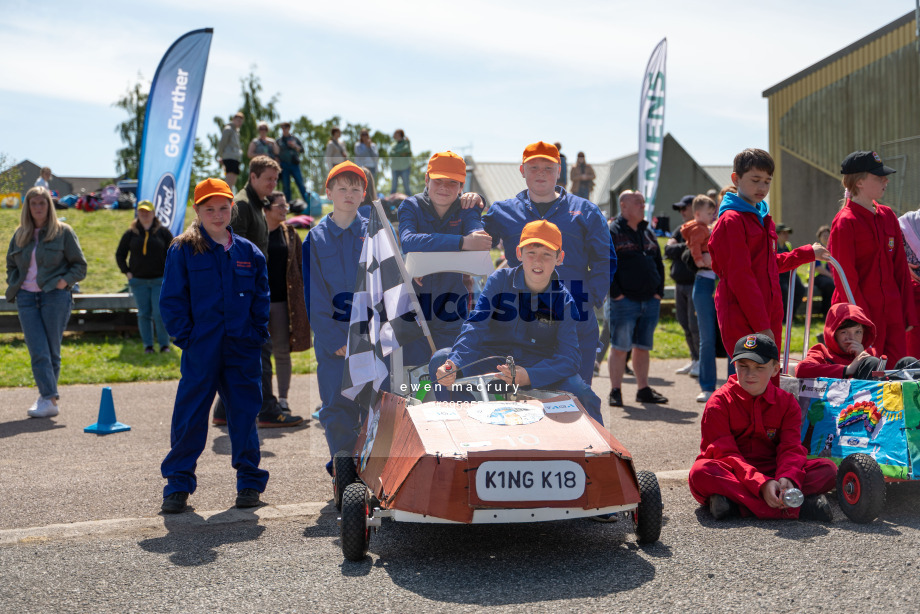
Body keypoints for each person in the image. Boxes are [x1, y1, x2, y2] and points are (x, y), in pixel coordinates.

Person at [158, 178, 271, 514]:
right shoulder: (183, 249)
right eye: (210, 209)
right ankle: (177, 485)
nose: (218, 214)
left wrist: (254, 335)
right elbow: (172, 300)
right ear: (198, 211)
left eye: (223, 207)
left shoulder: (249, 253)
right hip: (201, 348)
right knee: (190, 416)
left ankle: (249, 481)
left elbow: (261, 299)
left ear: (232, 208)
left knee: (244, 415)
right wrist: (187, 339)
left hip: (242, 349)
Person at [431, 220, 603, 423]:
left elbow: (570, 358)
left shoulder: (564, 300)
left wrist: (530, 375)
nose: (538, 261)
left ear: (560, 258)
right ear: (518, 253)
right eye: (531, 252)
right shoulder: (499, 280)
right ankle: (460, 427)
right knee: (441, 359)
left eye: (547, 254)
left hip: (536, 367)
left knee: (581, 390)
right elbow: (475, 325)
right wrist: (455, 362)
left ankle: (599, 451)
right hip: (492, 362)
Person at [482, 142, 613, 389]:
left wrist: (591, 298)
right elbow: (473, 236)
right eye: (533, 167)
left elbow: (604, 258)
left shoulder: (585, 210)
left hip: (575, 313)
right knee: (521, 391)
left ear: (559, 171)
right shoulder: (502, 212)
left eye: (548, 168)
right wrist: (473, 201)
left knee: (578, 391)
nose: (540, 173)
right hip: (522, 316)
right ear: (522, 170)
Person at [688, 333, 837, 521]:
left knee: (828, 470)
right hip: (733, 471)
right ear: (734, 365)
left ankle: (737, 507)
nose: (750, 374)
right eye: (743, 366)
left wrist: (787, 478)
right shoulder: (718, 402)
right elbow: (726, 455)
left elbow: (790, 448)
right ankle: (795, 508)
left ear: (775, 369)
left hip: (774, 469)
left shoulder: (787, 402)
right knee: (701, 472)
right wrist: (761, 484)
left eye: (759, 367)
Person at [708, 148, 828, 369]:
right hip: (743, 313)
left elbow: (769, 265)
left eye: (767, 181)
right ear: (736, 179)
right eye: (755, 180)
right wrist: (761, 326)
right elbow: (740, 277)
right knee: (750, 381)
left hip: (767, 311)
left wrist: (808, 253)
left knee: (769, 380)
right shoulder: (732, 221)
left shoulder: (762, 217)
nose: (762, 188)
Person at [212, 155, 302, 428]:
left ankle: (223, 410)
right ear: (252, 177)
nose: (273, 183)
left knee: (244, 352)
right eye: (268, 179)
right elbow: (230, 250)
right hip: (244, 293)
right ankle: (267, 410)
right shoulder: (241, 204)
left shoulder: (255, 203)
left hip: (249, 291)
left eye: (275, 179)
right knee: (261, 349)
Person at [304, 161, 370, 475]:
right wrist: (333, 339)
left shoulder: (377, 234)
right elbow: (314, 294)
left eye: (355, 188)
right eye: (342, 188)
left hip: (371, 338)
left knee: (375, 405)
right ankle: (344, 473)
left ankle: (372, 468)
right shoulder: (315, 239)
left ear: (364, 194)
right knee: (336, 407)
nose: (348, 194)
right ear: (328, 192)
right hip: (335, 344)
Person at [399, 151, 490, 365]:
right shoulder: (411, 206)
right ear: (426, 179)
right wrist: (461, 243)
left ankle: (448, 400)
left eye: (452, 182)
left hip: (452, 306)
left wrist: (426, 261)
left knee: (451, 367)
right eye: (438, 180)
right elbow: (409, 241)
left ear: (462, 186)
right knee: (413, 370)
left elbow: (479, 243)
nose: (444, 187)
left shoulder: (467, 208)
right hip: (414, 304)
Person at [6, 186, 86, 418]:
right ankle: (49, 398)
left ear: (49, 206)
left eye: (42, 203)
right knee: (37, 350)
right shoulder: (20, 234)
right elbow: (11, 265)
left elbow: (80, 266)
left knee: (51, 350)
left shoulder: (64, 232)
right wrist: (16, 283)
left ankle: (47, 398)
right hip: (26, 298)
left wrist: (63, 282)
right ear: (27, 207)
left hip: (55, 296)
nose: (38, 207)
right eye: (34, 203)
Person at [829, 150, 916, 364]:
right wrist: (861, 323)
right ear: (859, 182)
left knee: (897, 375)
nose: (885, 180)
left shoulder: (887, 216)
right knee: (867, 379)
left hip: (893, 315)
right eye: (878, 177)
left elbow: (901, 271)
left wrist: (908, 313)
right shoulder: (844, 222)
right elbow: (845, 279)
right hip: (863, 321)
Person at [607, 190, 668, 406]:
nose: (643, 206)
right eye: (638, 202)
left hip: (649, 300)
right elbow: (605, 265)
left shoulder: (647, 232)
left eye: (643, 202)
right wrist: (617, 294)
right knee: (620, 346)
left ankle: (643, 389)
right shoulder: (612, 231)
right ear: (624, 206)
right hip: (624, 301)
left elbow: (659, 263)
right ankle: (616, 391)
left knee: (643, 346)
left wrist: (658, 292)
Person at [263, 191, 311, 415]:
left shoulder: (291, 234)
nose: (285, 209)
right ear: (266, 208)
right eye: (279, 206)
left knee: (282, 352)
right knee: (258, 354)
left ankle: (282, 399)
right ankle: (262, 400)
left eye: (285, 205)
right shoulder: (254, 233)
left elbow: (302, 266)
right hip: (257, 304)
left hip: (283, 303)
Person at [115, 200, 174, 353]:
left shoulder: (163, 232)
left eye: (148, 211)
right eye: (142, 211)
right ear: (138, 214)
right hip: (138, 281)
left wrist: (170, 273)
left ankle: (164, 344)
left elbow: (174, 254)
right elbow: (120, 254)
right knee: (144, 314)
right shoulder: (131, 233)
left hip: (159, 280)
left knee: (159, 313)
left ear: (154, 214)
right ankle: (148, 345)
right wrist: (127, 272)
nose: (145, 214)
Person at [683, 195, 718, 403]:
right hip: (705, 284)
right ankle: (707, 386)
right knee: (707, 339)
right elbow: (692, 254)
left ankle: (733, 384)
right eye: (711, 211)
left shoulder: (710, 227)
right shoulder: (700, 228)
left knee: (731, 338)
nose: (714, 214)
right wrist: (700, 259)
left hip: (721, 282)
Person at [665, 194, 699, 377]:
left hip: (694, 283)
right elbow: (668, 250)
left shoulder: (700, 228)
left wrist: (681, 246)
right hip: (680, 284)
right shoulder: (680, 229)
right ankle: (694, 359)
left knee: (695, 325)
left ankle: (701, 360)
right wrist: (685, 246)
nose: (681, 212)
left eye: (683, 208)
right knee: (685, 323)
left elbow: (697, 249)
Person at [776, 223, 807, 320]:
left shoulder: (788, 245)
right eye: (783, 233)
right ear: (777, 234)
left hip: (789, 273)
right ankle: (784, 317)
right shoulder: (773, 245)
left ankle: (791, 315)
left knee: (801, 289)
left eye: (787, 233)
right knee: (784, 290)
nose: (786, 235)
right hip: (779, 275)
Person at [277, 121, 309, 204]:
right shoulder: (279, 141)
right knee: (286, 186)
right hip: (284, 166)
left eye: (286, 127)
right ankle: (288, 205)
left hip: (294, 165)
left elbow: (302, 150)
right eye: (283, 127)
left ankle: (308, 202)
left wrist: (295, 146)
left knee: (300, 184)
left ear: (289, 128)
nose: (284, 129)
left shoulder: (295, 139)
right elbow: (275, 153)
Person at [813, 225, 835, 319]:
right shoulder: (818, 249)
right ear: (819, 237)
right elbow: (818, 268)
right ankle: (826, 313)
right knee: (829, 285)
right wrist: (831, 276)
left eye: (827, 234)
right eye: (823, 235)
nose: (826, 236)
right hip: (818, 277)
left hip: (830, 277)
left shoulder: (834, 248)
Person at [217, 111, 244, 189]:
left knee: (233, 181)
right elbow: (222, 144)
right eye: (238, 120)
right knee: (229, 180)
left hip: (235, 158)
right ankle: (225, 196)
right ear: (233, 119)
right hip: (229, 157)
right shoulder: (228, 129)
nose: (239, 122)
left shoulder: (236, 132)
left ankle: (229, 197)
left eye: (241, 121)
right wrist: (222, 156)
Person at [390, 129, 412, 195]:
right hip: (395, 168)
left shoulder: (406, 142)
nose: (394, 135)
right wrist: (401, 153)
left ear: (400, 134)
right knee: (393, 187)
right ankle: (390, 203)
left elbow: (406, 150)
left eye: (395, 133)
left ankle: (411, 202)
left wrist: (397, 152)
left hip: (405, 167)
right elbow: (391, 154)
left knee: (406, 187)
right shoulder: (393, 144)